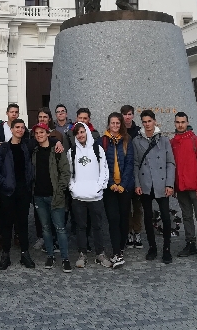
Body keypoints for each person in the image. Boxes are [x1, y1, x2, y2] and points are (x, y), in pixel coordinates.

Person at [0, 118, 36, 270]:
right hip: (8, 192)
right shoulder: (3, 148)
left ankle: (25, 254)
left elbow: (47, 138)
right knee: (7, 224)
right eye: (17, 127)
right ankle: (5, 255)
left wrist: (58, 142)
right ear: (12, 130)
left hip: (23, 191)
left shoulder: (27, 146)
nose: (20, 130)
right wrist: (5, 182)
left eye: (22, 127)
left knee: (23, 224)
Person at [132, 110, 175, 264]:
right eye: (144, 122)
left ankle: (167, 249)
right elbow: (135, 164)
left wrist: (169, 183)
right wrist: (137, 184)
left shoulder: (164, 140)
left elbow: (170, 163)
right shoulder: (136, 141)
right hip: (145, 183)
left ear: (154, 121)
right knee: (148, 217)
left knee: (166, 217)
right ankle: (152, 247)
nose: (147, 124)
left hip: (161, 183)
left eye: (149, 121)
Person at [67, 123, 111, 268]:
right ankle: (82, 254)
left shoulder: (97, 149)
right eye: (77, 133)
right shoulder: (72, 152)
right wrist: (73, 188)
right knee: (81, 227)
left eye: (82, 132)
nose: (80, 135)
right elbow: (69, 173)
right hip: (78, 196)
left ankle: (100, 254)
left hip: (95, 196)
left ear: (87, 132)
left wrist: (99, 187)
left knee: (97, 226)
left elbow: (104, 170)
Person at [31, 123, 72, 272]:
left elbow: (65, 172)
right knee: (46, 228)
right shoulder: (34, 151)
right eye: (37, 133)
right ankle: (50, 255)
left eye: (42, 132)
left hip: (55, 196)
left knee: (60, 228)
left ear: (48, 133)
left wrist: (60, 191)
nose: (39, 135)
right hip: (39, 196)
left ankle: (65, 258)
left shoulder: (57, 150)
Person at [171, 112, 197, 261]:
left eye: (183, 122)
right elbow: (172, 166)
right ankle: (190, 243)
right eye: (178, 122)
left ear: (187, 123)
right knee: (187, 216)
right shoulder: (173, 142)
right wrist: (174, 186)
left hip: (195, 187)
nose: (180, 125)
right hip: (181, 188)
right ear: (175, 123)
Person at [102, 113, 134, 268]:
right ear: (109, 124)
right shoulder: (103, 141)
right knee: (113, 218)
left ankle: (121, 247)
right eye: (112, 123)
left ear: (121, 124)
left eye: (117, 123)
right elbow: (102, 165)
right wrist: (110, 183)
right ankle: (116, 252)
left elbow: (129, 164)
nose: (115, 126)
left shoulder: (127, 140)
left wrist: (123, 184)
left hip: (124, 187)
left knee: (123, 218)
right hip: (109, 188)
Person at [121, 104, 143, 249]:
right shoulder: (119, 130)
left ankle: (137, 231)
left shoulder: (139, 131)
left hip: (138, 173)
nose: (127, 117)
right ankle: (129, 232)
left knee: (138, 206)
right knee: (126, 207)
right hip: (124, 174)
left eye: (129, 114)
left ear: (133, 115)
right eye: (125, 114)